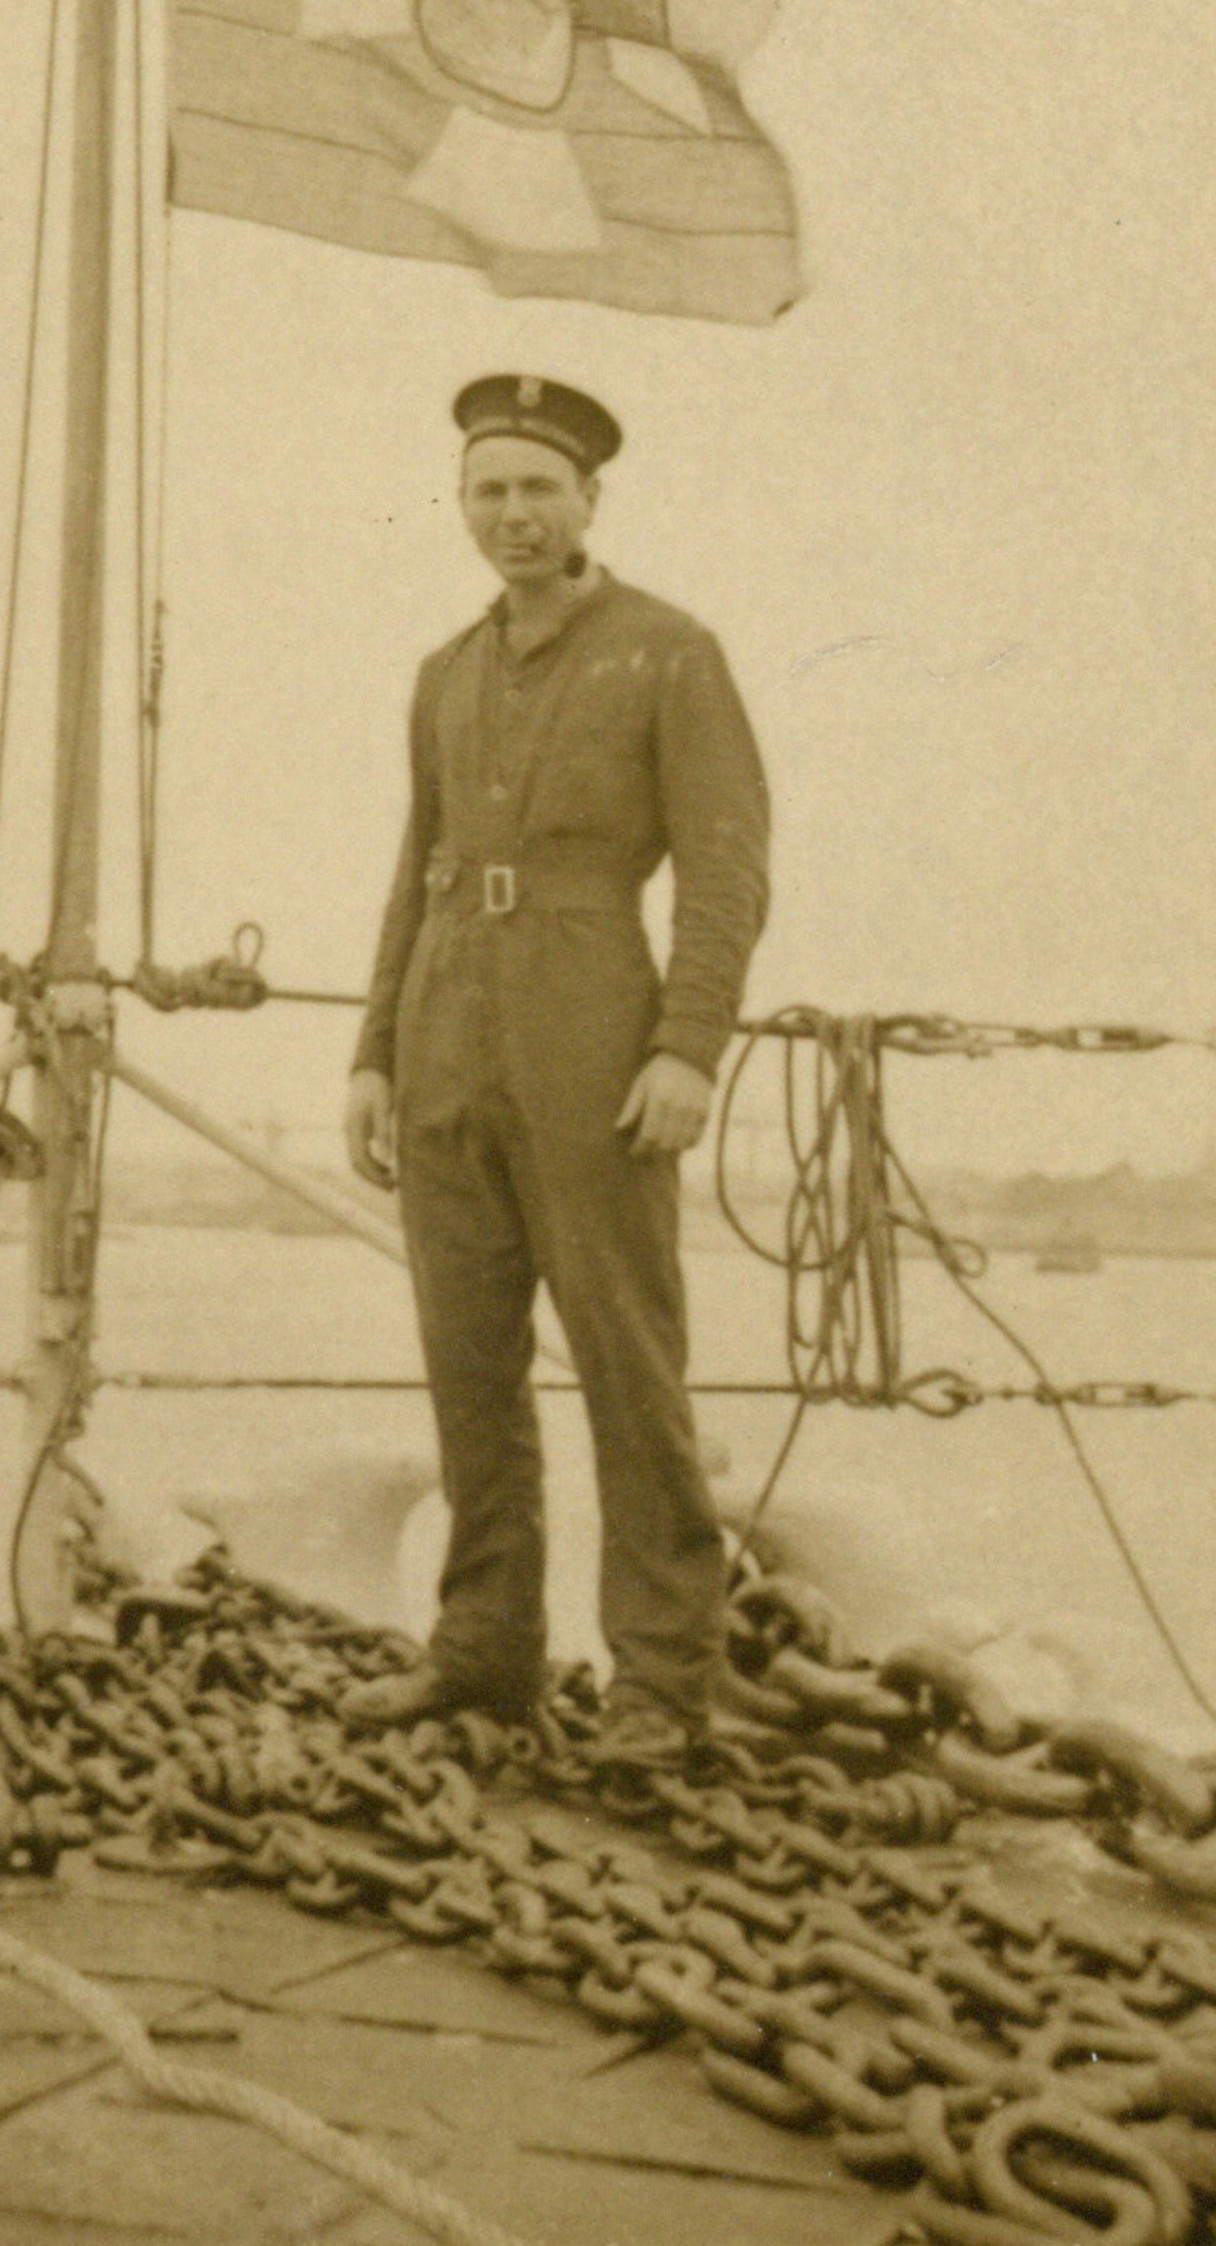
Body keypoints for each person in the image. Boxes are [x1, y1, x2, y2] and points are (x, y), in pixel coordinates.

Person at [342, 373, 770, 1766]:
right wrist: (372, 1058)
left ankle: (660, 1681)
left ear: (591, 499)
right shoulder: (443, 674)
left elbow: (726, 869)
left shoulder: (670, 651)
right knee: (467, 1365)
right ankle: (484, 1653)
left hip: (595, 1025)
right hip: (444, 1036)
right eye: (489, 490)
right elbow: (417, 869)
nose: (513, 513)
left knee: (628, 1365)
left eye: (539, 487)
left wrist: (688, 1046)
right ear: (462, 504)